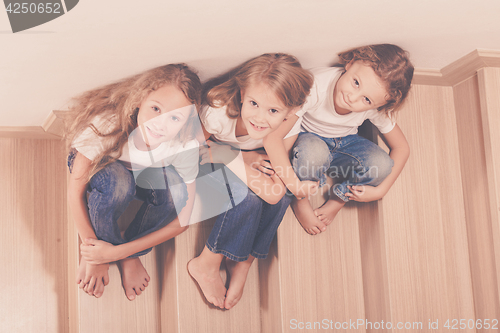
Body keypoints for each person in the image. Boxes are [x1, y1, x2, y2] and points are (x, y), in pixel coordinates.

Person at [187, 53, 314, 309]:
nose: (259, 118)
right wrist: (227, 156)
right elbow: (191, 152)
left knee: (281, 198)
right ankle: (206, 263)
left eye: (273, 111)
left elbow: (278, 184)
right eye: (254, 103)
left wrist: (244, 158)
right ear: (243, 94)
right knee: (248, 199)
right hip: (202, 162)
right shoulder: (219, 111)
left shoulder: (289, 124)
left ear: (290, 113)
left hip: (231, 157)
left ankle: (243, 261)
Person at [66, 64, 201, 300]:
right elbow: (74, 193)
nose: (159, 123)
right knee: (119, 184)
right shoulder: (107, 123)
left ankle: (124, 255)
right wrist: (92, 252)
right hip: (103, 172)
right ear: (140, 99)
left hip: (143, 176)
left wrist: (119, 253)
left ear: (188, 121)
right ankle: (104, 247)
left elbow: (183, 222)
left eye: (175, 118)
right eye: (155, 108)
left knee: (176, 193)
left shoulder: (185, 144)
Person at [291, 44, 413, 235]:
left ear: (379, 104)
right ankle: (300, 200)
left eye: (366, 100)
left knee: (382, 164)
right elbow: (284, 130)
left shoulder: (376, 107)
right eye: (356, 83)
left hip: (345, 143)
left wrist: (381, 191)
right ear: (351, 63)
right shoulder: (315, 84)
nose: (352, 97)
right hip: (307, 137)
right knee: (313, 152)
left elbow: (401, 147)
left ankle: (338, 199)